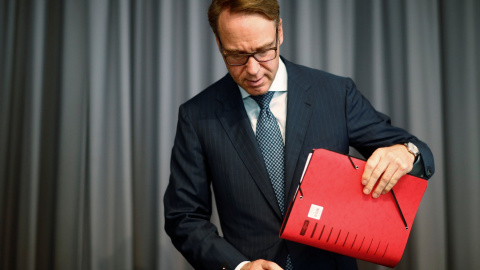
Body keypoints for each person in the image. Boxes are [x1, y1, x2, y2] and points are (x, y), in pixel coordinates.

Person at [163, 0, 435, 269]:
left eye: (263, 51)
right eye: (236, 55)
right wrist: (240, 267)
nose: (253, 69)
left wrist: (407, 152)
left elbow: (414, 149)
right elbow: (184, 217)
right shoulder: (197, 116)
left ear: (280, 31)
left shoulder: (336, 94)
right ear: (218, 41)